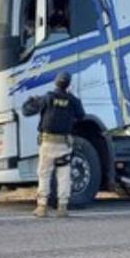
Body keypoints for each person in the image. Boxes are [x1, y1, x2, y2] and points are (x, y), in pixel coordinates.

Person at [22, 72, 85, 218]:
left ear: (55, 82)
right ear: (68, 85)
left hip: (48, 143)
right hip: (64, 144)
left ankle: (42, 207)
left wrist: (31, 99)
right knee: (63, 174)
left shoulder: (47, 97)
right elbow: (81, 116)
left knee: (44, 174)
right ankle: (62, 207)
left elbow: (27, 111)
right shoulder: (73, 100)